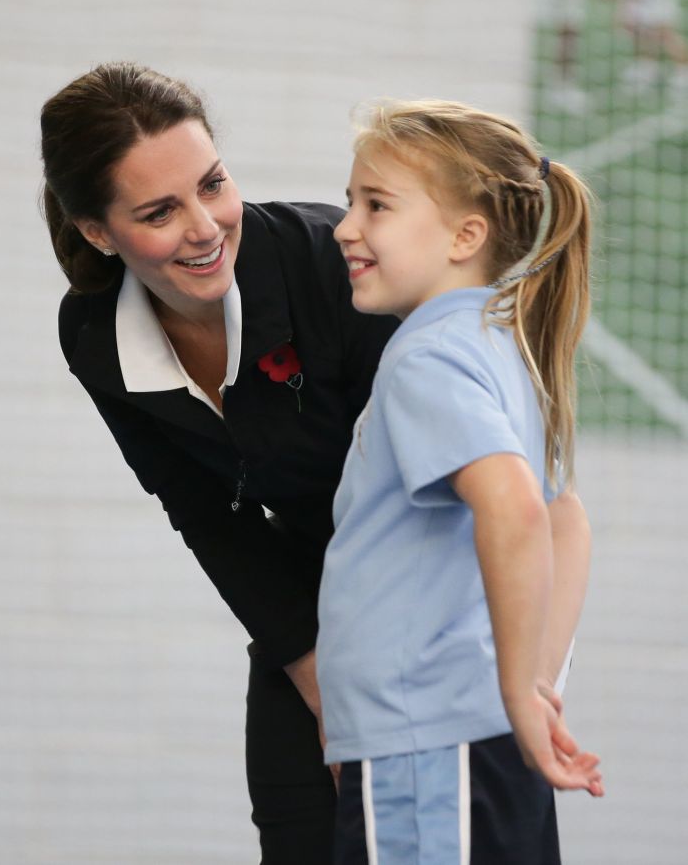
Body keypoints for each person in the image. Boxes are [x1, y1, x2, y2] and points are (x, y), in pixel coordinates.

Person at [40, 61, 396, 865]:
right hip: (304, 601)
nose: (204, 226)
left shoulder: (328, 266)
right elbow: (203, 512)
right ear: (98, 231)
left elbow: (448, 492)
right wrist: (318, 685)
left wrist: (378, 698)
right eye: (160, 211)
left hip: (432, 590)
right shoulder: (93, 333)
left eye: (213, 184)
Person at [316, 100, 604, 864]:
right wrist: (529, 691)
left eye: (375, 204)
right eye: (350, 202)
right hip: (462, 740)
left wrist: (515, 697)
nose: (346, 226)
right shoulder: (502, 348)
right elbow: (563, 519)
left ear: (464, 235)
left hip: (432, 747)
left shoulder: (428, 358)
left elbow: (515, 507)